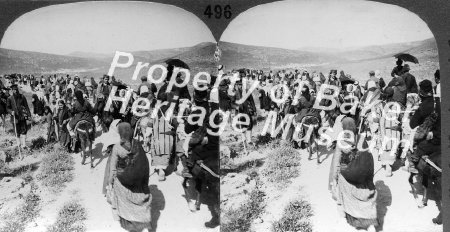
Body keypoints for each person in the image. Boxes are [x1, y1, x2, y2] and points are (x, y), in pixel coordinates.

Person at [330, 117, 378, 232]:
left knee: (346, 192)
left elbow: (337, 163)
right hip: (363, 176)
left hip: (349, 176)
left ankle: (357, 223)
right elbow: (369, 158)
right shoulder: (361, 138)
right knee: (365, 197)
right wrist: (369, 175)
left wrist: (334, 179)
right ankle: (370, 223)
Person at [107, 122, 152, 232]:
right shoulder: (137, 144)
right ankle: (144, 224)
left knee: (118, 191)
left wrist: (110, 182)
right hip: (139, 179)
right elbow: (145, 163)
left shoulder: (117, 147)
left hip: (124, 180)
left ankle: (129, 224)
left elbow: (113, 168)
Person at [407, 80, 440, 173]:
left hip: (430, 139)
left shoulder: (422, 107)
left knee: (412, 145)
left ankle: (412, 165)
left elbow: (412, 125)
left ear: (421, 92)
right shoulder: (439, 102)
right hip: (441, 134)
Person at [6, 84, 31, 150]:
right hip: (15, 118)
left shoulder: (22, 97)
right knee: (17, 131)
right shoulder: (10, 98)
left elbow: (26, 107)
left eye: (16, 89)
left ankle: (24, 145)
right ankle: (19, 144)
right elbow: (7, 108)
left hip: (22, 117)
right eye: (14, 90)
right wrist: (11, 112)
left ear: (18, 89)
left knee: (24, 130)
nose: (16, 91)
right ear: (12, 90)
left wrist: (29, 115)